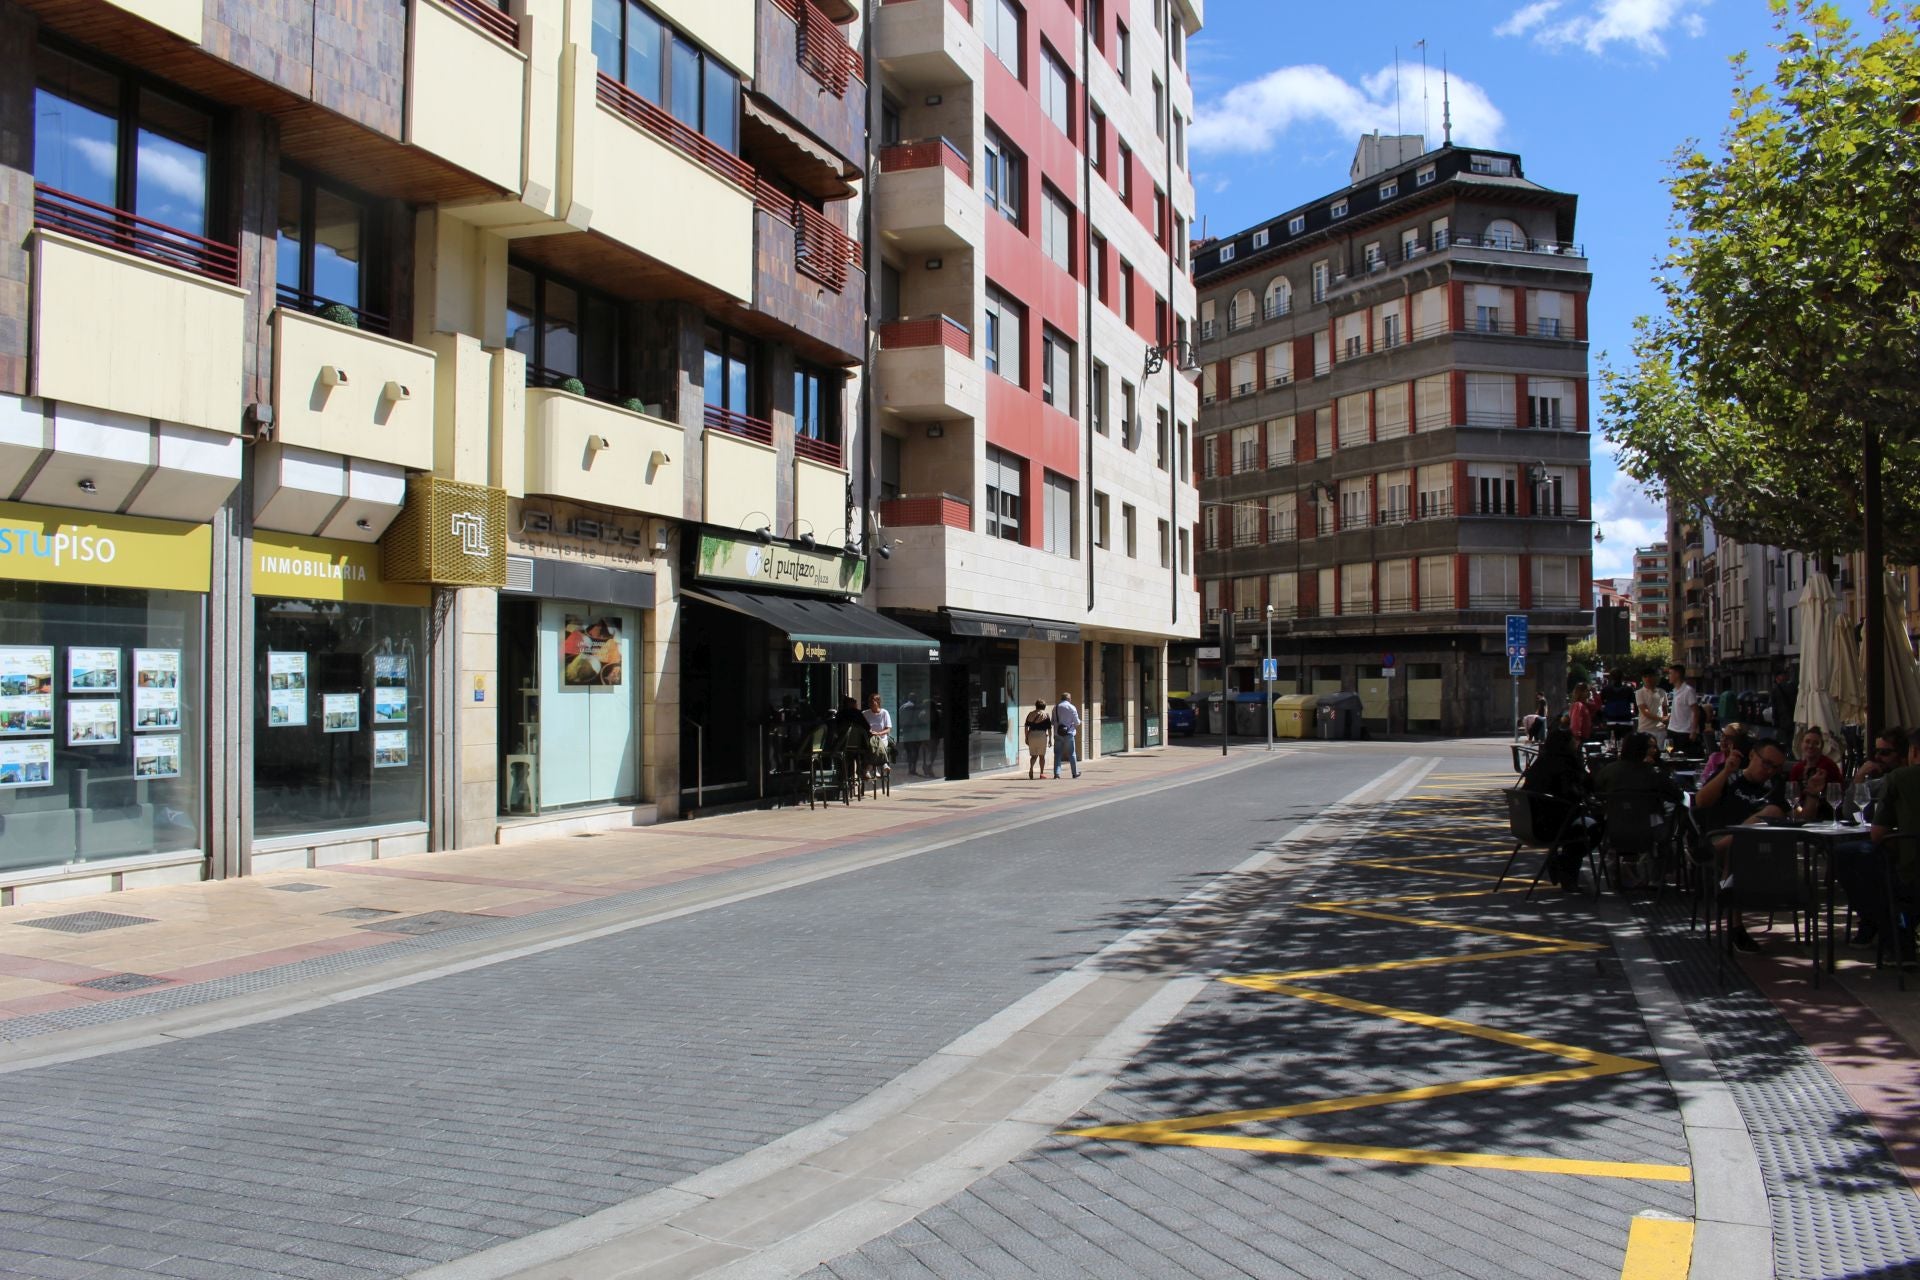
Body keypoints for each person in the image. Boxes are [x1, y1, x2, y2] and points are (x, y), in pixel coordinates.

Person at [1692, 736, 1792, 951]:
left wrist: (1812, 793)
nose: (1770, 771)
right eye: (1766, 763)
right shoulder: (1730, 775)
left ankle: (1716, 851)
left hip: (1762, 848)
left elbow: (1793, 815)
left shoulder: (1776, 785)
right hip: (1725, 840)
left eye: (1776, 767)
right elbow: (1700, 802)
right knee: (1738, 847)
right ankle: (1736, 928)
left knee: (1772, 813)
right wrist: (1726, 771)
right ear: (1752, 756)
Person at [1520, 728, 1591, 891]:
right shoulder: (1565, 764)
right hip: (1552, 825)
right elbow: (1572, 794)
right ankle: (1566, 867)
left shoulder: (1540, 763)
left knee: (1582, 825)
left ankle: (1563, 865)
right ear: (1566, 744)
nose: (1577, 742)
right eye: (1573, 740)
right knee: (1593, 827)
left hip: (1530, 823)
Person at [1787, 726, 1842, 815]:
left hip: (1826, 811)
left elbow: (1836, 793)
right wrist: (1799, 810)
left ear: (1821, 747)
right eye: (1807, 742)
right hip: (1801, 809)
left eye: (1816, 743)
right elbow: (1792, 795)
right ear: (1801, 744)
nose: (1810, 746)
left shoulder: (1828, 765)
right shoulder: (1797, 768)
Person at [1665, 665, 1700, 754]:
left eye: (1670, 673)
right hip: (1671, 730)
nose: (1668, 676)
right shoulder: (1674, 691)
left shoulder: (1688, 690)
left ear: (1677, 674)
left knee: (1682, 757)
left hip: (1684, 732)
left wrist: (1693, 731)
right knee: (1669, 752)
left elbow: (1696, 712)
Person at [1051, 692, 1081, 779]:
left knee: (1057, 754)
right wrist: (1078, 722)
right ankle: (1074, 773)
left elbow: (1052, 721)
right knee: (1071, 753)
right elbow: (1077, 722)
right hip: (1069, 733)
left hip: (1057, 733)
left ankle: (1056, 774)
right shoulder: (1072, 707)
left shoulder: (1055, 707)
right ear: (1069, 699)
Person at [863, 693, 894, 776]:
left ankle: (869, 768)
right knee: (873, 743)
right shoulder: (865, 714)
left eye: (873, 702)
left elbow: (888, 729)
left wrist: (879, 733)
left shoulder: (884, 713)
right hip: (870, 738)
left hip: (882, 738)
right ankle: (883, 764)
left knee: (877, 743)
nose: (871, 704)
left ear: (878, 702)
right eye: (870, 702)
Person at [1635, 671, 1667, 749]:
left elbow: (1665, 709)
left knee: (1660, 753)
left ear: (1655, 677)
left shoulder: (1662, 692)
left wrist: (1665, 724)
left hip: (1660, 730)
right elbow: (1645, 711)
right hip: (1645, 729)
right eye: (1645, 676)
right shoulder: (1639, 692)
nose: (1648, 679)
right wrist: (1661, 719)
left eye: (1650, 676)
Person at [1024, 699, 1052, 779]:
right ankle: (1042, 773)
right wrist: (1050, 739)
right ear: (1044, 706)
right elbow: (1049, 729)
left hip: (1032, 735)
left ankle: (1031, 769)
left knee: (1033, 755)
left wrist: (1026, 737)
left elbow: (1026, 727)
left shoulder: (1030, 714)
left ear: (1036, 705)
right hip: (1042, 735)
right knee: (1042, 756)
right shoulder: (1046, 715)